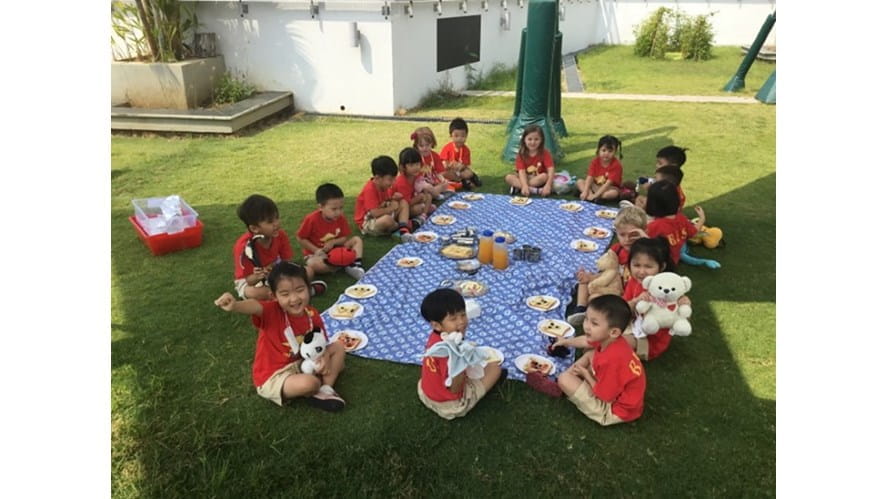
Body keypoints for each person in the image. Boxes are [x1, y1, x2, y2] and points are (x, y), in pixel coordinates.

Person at [214, 261, 347, 411]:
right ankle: (315, 387)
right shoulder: (271, 311)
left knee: (338, 347)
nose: (294, 298)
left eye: (300, 290)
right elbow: (254, 306)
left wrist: (325, 357)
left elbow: (320, 343)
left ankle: (326, 389)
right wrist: (236, 305)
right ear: (273, 296)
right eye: (285, 294)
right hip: (275, 375)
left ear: (308, 288)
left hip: (303, 362)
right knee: (310, 383)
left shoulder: (312, 314)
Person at [526, 295, 646, 426]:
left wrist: (586, 375)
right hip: (617, 391)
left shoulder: (612, 361)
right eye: (586, 319)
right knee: (591, 354)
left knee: (564, 379)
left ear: (614, 332)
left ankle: (561, 386)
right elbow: (586, 341)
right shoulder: (613, 342)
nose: (587, 326)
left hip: (615, 410)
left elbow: (605, 395)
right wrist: (566, 342)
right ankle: (568, 381)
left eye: (594, 323)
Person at [417, 288, 505, 420]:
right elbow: (455, 389)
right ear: (437, 325)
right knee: (495, 368)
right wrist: (460, 362)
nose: (461, 321)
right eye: (453, 318)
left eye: (463, 314)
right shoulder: (451, 353)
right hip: (450, 405)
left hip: (425, 392)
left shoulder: (435, 338)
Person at [232, 194, 326, 301]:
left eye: (277, 218)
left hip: (276, 272)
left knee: (308, 271)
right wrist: (260, 275)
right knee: (254, 293)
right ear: (254, 228)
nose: (276, 223)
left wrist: (276, 272)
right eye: (270, 221)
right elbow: (248, 280)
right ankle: (304, 291)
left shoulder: (280, 235)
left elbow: (287, 262)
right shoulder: (244, 246)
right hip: (252, 280)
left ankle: (284, 295)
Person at [568, 205, 648, 325]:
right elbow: (608, 272)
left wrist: (645, 239)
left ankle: (592, 313)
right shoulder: (617, 250)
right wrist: (590, 278)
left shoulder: (644, 253)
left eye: (632, 235)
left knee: (594, 299)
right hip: (613, 285)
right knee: (585, 280)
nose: (627, 239)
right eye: (622, 235)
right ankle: (580, 308)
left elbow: (661, 259)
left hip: (628, 296)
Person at [621, 237, 690, 361]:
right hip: (630, 326)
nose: (641, 272)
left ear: (661, 267)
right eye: (636, 265)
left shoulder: (667, 290)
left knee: (615, 343)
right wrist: (635, 301)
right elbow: (623, 308)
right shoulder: (633, 282)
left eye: (648, 266)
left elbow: (682, 318)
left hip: (650, 341)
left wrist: (685, 305)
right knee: (604, 331)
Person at [297, 183, 366, 281]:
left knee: (356, 240)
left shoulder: (340, 218)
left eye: (341, 208)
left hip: (337, 250)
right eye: (334, 209)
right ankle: (345, 264)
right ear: (320, 207)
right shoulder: (311, 219)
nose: (338, 212)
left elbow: (344, 238)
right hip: (319, 254)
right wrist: (317, 250)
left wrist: (334, 242)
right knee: (313, 264)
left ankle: (355, 265)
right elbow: (301, 238)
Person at [644, 180, 704, 266]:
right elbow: (693, 232)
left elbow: (642, 244)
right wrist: (702, 218)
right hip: (675, 258)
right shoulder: (681, 218)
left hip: (661, 263)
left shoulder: (654, 226)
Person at [354, 155, 412, 238]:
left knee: (403, 202)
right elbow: (374, 213)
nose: (393, 182)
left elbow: (386, 200)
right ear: (377, 178)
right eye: (390, 179)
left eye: (394, 179)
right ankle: (399, 226)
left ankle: (403, 229)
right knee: (387, 220)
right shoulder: (370, 189)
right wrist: (391, 208)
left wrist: (394, 198)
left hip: (382, 214)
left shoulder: (384, 186)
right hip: (368, 222)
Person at [505, 125, 555, 197]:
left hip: (537, 177)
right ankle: (533, 190)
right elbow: (521, 171)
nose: (533, 142)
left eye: (536, 139)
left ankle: (519, 187)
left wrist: (548, 185)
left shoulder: (545, 153)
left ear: (541, 140)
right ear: (524, 140)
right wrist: (524, 185)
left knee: (544, 176)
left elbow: (551, 169)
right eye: (529, 139)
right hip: (524, 177)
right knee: (509, 177)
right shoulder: (521, 154)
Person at [394, 147, 434, 229]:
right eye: (411, 165)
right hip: (402, 208)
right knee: (418, 208)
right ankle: (419, 214)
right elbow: (406, 203)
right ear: (403, 167)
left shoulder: (416, 175)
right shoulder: (401, 182)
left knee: (429, 195)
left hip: (414, 199)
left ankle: (423, 216)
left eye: (417, 164)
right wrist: (419, 198)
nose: (416, 167)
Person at [576, 135, 623, 203]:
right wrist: (586, 191)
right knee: (579, 182)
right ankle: (590, 196)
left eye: (610, 151)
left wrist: (595, 195)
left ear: (615, 152)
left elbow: (608, 183)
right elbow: (590, 177)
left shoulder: (616, 165)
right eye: (604, 150)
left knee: (612, 193)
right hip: (595, 185)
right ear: (598, 150)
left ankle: (594, 197)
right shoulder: (595, 161)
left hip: (609, 188)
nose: (606, 154)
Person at [439, 117, 482, 190]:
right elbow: (442, 163)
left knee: (469, 173)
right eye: (456, 136)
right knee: (443, 174)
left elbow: (465, 164)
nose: (459, 139)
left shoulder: (466, 150)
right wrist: (448, 165)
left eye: (462, 136)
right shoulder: (447, 148)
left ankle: (465, 180)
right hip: (450, 171)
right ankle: (463, 181)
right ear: (450, 135)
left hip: (460, 171)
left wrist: (461, 166)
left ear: (466, 136)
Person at [411, 126, 452, 200]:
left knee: (445, 184)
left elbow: (438, 172)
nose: (425, 148)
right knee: (427, 187)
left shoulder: (434, 156)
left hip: (432, 180)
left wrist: (442, 179)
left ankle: (431, 195)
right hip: (419, 182)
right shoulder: (415, 157)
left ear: (432, 143)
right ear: (416, 146)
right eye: (421, 146)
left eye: (427, 145)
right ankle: (436, 195)